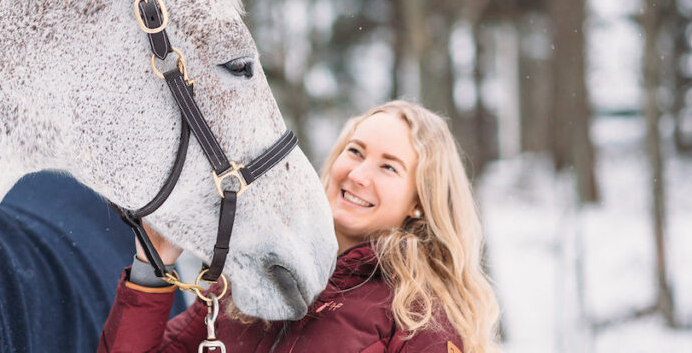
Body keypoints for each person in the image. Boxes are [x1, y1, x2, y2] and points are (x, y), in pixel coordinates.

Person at [97, 100, 501, 352]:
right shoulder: (253, 279)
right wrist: (153, 267)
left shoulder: (419, 315)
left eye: (388, 167)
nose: (358, 174)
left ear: (419, 201)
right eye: (354, 151)